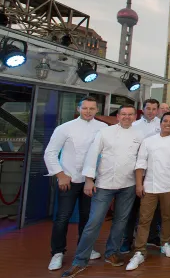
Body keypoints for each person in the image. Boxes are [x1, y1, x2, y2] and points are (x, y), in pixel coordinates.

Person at [60, 105, 142, 278]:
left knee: (120, 222)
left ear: (135, 117)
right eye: (123, 114)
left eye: (130, 114)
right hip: (104, 184)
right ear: (118, 116)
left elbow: (142, 159)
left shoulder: (139, 135)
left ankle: (112, 252)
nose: (127, 117)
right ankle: (79, 260)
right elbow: (92, 155)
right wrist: (89, 180)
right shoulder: (105, 132)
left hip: (128, 184)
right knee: (94, 222)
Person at [44, 96, 107, 272]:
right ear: (78, 109)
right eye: (85, 108)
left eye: (92, 108)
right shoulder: (64, 128)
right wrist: (60, 175)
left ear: (97, 110)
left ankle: (85, 248)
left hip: (91, 180)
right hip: (69, 180)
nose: (88, 111)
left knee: (88, 218)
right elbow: (50, 153)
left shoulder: (103, 128)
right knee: (62, 218)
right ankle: (57, 252)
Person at [125, 112, 170, 271]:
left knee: (167, 217)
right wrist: (139, 184)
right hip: (150, 187)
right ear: (160, 123)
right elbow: (141, 164)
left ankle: (165, 243)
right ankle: (139, 251)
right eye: (165, 121)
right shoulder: (148, 141)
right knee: (144, 219)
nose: (168, 123)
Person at [122, 99, 162, 252]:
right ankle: (127, 239)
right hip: (135, 172)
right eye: (148, 108)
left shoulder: (162, 124)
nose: (151, 111)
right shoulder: (134, 125)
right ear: (143, 109)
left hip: (154, 172)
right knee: (132, 208)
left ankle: (152, 236)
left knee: (153, 209)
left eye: (154, 109)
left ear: (158, 110)